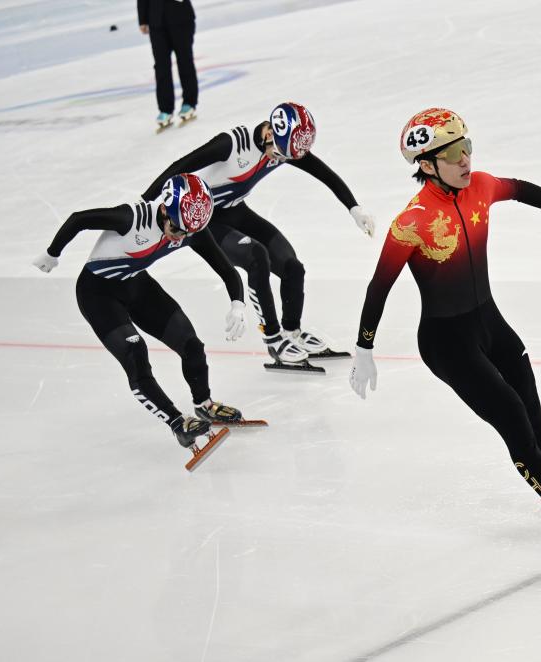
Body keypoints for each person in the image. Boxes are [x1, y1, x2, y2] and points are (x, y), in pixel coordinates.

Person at [348, 108, 541, 548]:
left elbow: (520, 189)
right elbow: (379, 286)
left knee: (531, 406)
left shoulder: (480, 185)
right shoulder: (412, 222)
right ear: (426, 165)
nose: (465, 159)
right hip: (447, 343)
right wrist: (365, 348)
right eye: (452, 153)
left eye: (466, 146)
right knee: (512, 417)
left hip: (489, 322)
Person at [141, 101, 377, 369]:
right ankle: (274, 340)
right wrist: (144, 203)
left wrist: (354, 208)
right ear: (269, 133)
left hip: (236, 211)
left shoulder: (285, 145)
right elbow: (179, 165)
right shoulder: (231, 144)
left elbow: (324, 173)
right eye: (279, 153)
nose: (280, 158)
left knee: (292, 267)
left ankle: (292, 332)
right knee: (257, 257)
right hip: (206, 223)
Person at [32, 173, 248, 453]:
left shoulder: (189, 226)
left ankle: (204, 405)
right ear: (164, 209)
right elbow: (79, 219)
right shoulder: (131, 218)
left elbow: (226, 269)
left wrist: (238, 304)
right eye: (177, 229)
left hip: (137, 287)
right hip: (98, 296)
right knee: (136, 355)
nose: (180, 237)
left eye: (187, 233)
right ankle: (177, 422)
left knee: (192, 345)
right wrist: (52, 253)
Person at [138, 0, 198, 128]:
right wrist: (142, 19)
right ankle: (165, 109)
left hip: (181, 18)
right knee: (161, 66)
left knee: (185, 61)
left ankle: (189, 102)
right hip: (156, 22)